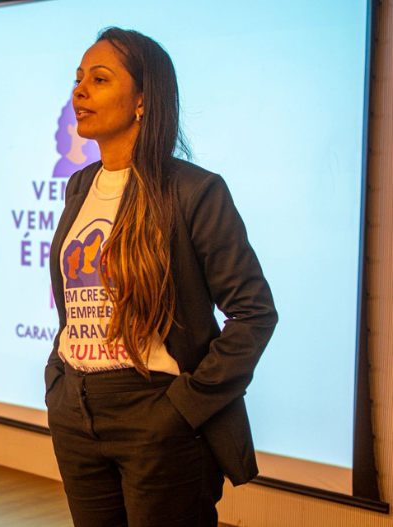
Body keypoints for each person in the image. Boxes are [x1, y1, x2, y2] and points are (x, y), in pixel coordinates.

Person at [45, 27, 277, 527]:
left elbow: (254, 313)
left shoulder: (195, 192)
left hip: (156, 413)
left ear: (143, 100)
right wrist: (58, 380)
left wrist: (181, 408)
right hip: (76, 413)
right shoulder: (79, 186)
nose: (79, 91)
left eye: (99, 79)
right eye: (78, 78)